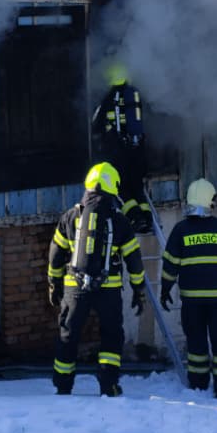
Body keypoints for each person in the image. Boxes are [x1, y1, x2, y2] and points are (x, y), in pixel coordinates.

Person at [48, 162, 147, 396]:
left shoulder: (70, 217)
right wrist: (139, 289)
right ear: (113, 186)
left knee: (68, 335)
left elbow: (56, 253)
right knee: (111, 336)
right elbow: (134, 259)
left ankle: (63, 387)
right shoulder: (119, 220)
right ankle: (109, 385)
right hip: (108, 289)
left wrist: (54, 284)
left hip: (74, 286)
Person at [160, 177, 217, 397]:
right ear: (209, 201)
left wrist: (165, 289)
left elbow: (170, 264)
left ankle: (198, 385)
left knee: (196, 343)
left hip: (192, 302)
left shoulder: (180, 230)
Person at [91, 62, 150, 232]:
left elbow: (95, 124)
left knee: (121, 188)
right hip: (138, 151)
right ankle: (147, 217)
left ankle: (136, 218)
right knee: (137, 186)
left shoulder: (108, 97)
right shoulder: (134, 94)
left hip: (118, 153)